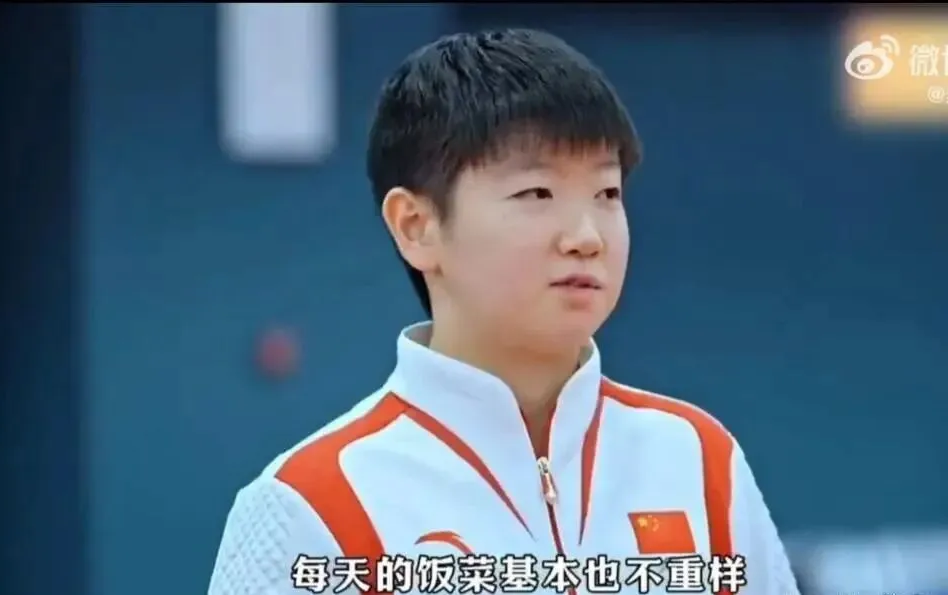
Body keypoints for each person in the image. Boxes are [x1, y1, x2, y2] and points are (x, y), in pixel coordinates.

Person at [208, 28, 799, 595]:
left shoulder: (696, 458)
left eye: (607, 193)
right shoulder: (314, 502)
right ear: (416, 226)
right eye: (536, 193)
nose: (586, 236)